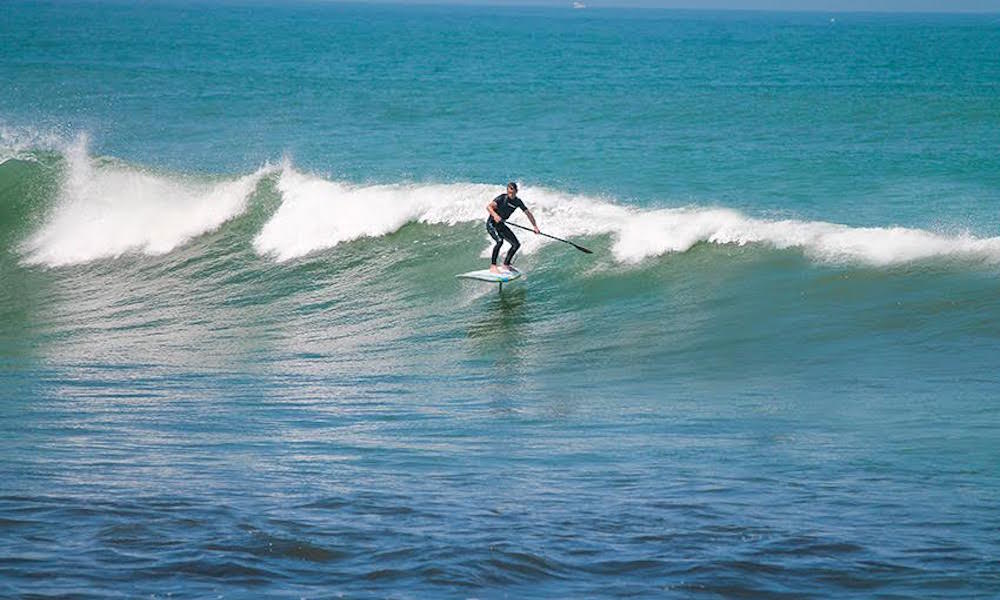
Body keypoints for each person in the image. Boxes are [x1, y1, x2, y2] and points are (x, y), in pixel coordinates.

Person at [486, 182, 539, 274]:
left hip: (501, 225)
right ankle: (493, 266)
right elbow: (489, 207)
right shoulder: (502, 198)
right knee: (499, 241)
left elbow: (528, 213)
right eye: (509, 191)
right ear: (507, 191)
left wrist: (535, 227)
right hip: (492, 224)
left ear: (516, 191)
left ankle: (506, 264)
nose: (511, 194)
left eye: (513, 192)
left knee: (516, 244)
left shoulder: (517, 201)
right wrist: (495, 215)